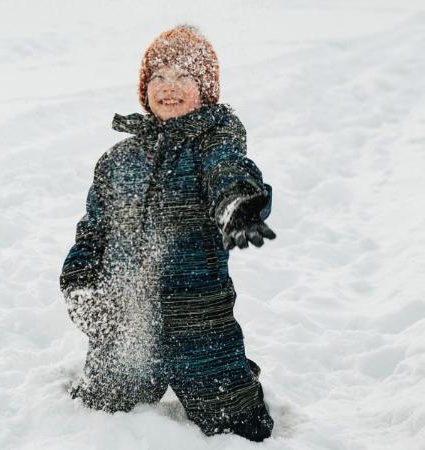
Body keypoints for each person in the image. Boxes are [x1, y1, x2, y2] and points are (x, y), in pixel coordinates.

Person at [59, 25, 276, 442]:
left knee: (239, 425)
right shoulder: (117, 161)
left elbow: (227, 171)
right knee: (100, 409)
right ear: (145, 90)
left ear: (205, 90)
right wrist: (79, 281)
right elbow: (92, 231)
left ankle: (234, 385)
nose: (168, 86)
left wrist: (237, 203)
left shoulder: (213, 142)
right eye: (158, 76)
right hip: (129, 323)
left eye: (183, 76)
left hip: (200, 322)